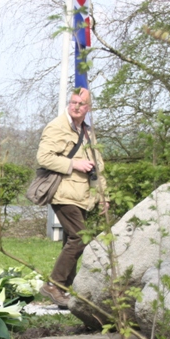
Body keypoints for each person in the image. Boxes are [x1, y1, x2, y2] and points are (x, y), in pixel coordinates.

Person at [36, 88, 109, 308]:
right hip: (63, 193)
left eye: (81, 104)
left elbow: (98, 165)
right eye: (73, 102)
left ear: (88, 108)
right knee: (80, 237)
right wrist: (74, 164)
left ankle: (65, 292)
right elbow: (44, 157)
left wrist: (103, 196)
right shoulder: (57, 126)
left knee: (71, 241)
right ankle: (54, 284)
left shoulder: (87, 131)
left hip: (82, 195)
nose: (76, 107)